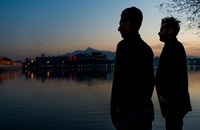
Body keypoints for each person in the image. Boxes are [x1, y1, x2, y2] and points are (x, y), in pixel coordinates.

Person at [110, 6, 154, 130]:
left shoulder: (123, 46)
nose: (119, 28)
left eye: (120, 23)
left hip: (129, 113)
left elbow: (118, 80)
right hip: (146, 110)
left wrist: (113, 109)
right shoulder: (147, 49)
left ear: (128, 24)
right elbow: (150, 82)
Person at [155, 16, 192, 130]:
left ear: (170, 30)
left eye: (162, 29)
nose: (159, 32)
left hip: (173, 102)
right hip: (173, 102)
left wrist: (166, 95)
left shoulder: (174, 47)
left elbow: (175, 75)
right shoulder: (171, 46)